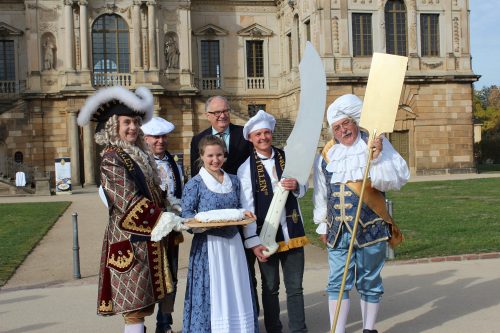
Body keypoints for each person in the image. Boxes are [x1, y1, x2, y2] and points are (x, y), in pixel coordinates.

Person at [77, 86, 186, 333]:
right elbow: (128, 201)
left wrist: (171, 206)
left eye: (136, 122)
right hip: (129, 242)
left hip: (146, 241)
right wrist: (166, 219)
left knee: (145, 305)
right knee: (134, 310)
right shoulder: (111, 157)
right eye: (127, 122)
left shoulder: (137, 155)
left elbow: (153, 194)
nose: (133, 128)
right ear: (113, 125)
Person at [312, 94, 410, 333]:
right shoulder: (326, 155)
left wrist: (375, 159)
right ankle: (338, 330)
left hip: (372, 228)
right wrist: (322, 225)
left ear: (355, 122)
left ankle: (369, 328)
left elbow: (396, 180)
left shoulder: (376, 144)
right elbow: (321, 193)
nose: (342, 130)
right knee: (337, 282)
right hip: (337, 230)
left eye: (346, 124)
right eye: (337, 127)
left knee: (369, 281)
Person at [238, 110, 309, 333]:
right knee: (270, 288)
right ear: (251, 138)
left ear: (272, 134)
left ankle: (299, 329)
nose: (263, 138)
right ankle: (273, 329)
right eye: (258, 134)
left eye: (266, 133)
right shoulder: (244, 169)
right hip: (265, 236)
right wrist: (253, 242)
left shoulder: (287, 157)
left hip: (292, 232)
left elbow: (304, 187)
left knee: (295, 287)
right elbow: (247, 209)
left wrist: (297, 186)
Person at [181, 135, 259, 332]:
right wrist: (204, 224)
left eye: (219, 155)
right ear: (201, 156)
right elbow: (187, 216)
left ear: (225, 155)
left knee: (235, 287)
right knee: (211, 290)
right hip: (208, 246)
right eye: (210, 156)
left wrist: (243, 215)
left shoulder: (234, 180)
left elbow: (241, 208)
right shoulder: (195, 184)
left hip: (233, 245)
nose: (215, 160)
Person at [141, 117, 184, 333]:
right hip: (146, 232)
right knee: (147, 278)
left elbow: (179, 194)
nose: (160, 141)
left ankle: (164, 323)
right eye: (155, 137)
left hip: (171, 231)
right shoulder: (138, 162)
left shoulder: (172, 162)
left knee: (172, 277)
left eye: (164, 136)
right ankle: (138, 324)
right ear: (146, 138)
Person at [190, 95, 252, 177]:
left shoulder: (245, 133)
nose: (222, 116)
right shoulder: (197, 140)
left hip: (241, 187)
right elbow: (196, 172)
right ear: (208, 115)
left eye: (225, 111)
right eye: (217, 112)